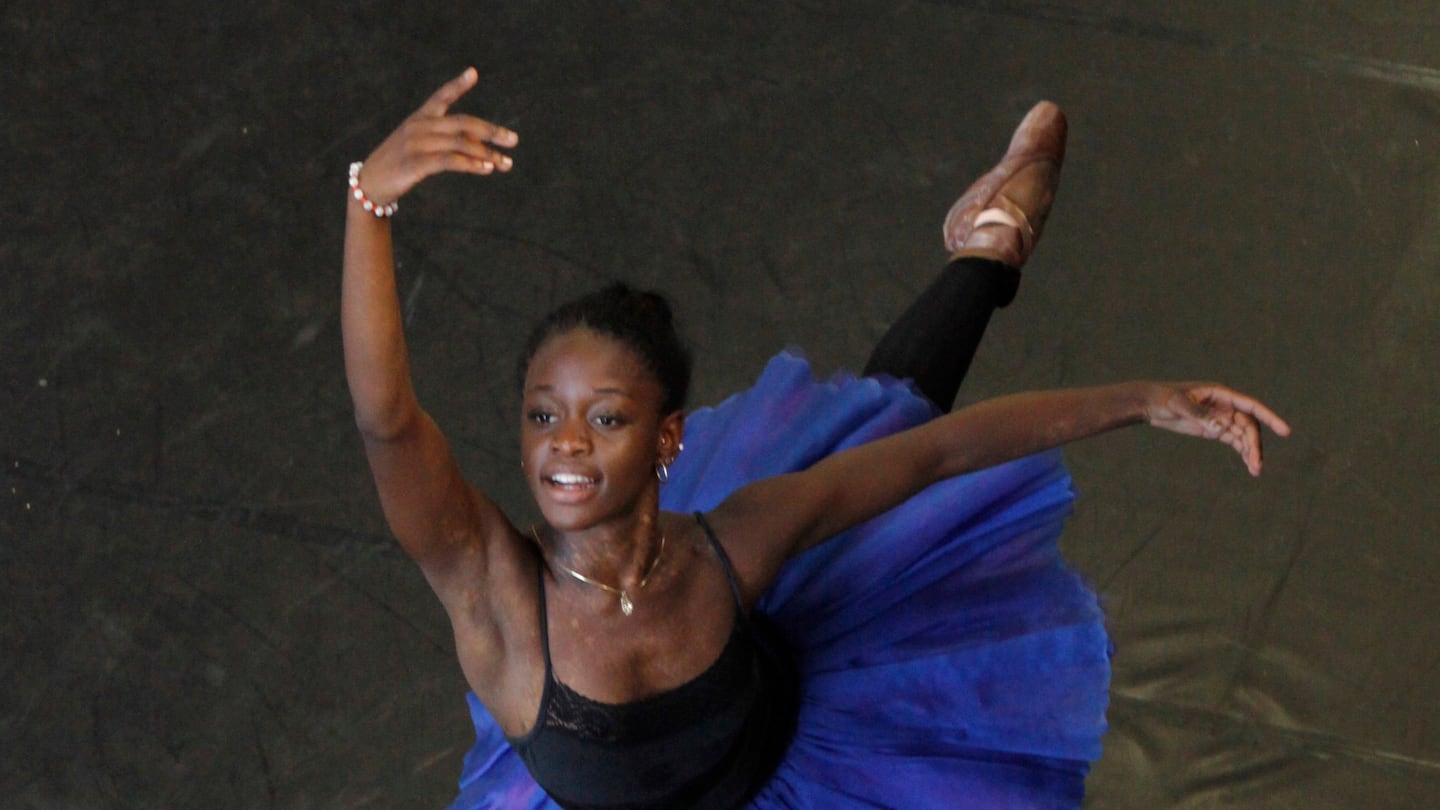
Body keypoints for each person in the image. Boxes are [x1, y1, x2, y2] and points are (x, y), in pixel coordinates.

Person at [341, 68, 1289, 809]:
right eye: (544, 415)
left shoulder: (731, 549)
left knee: (892, 422)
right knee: (874, 427)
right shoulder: (496, 600)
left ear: (667, 439)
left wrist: (1147, 399)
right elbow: (389, 424)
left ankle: (986, 251)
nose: (567, 446)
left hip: (818, 761)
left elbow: (940, 455)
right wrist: (368, 206)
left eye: (607, 418)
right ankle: (983, 248)